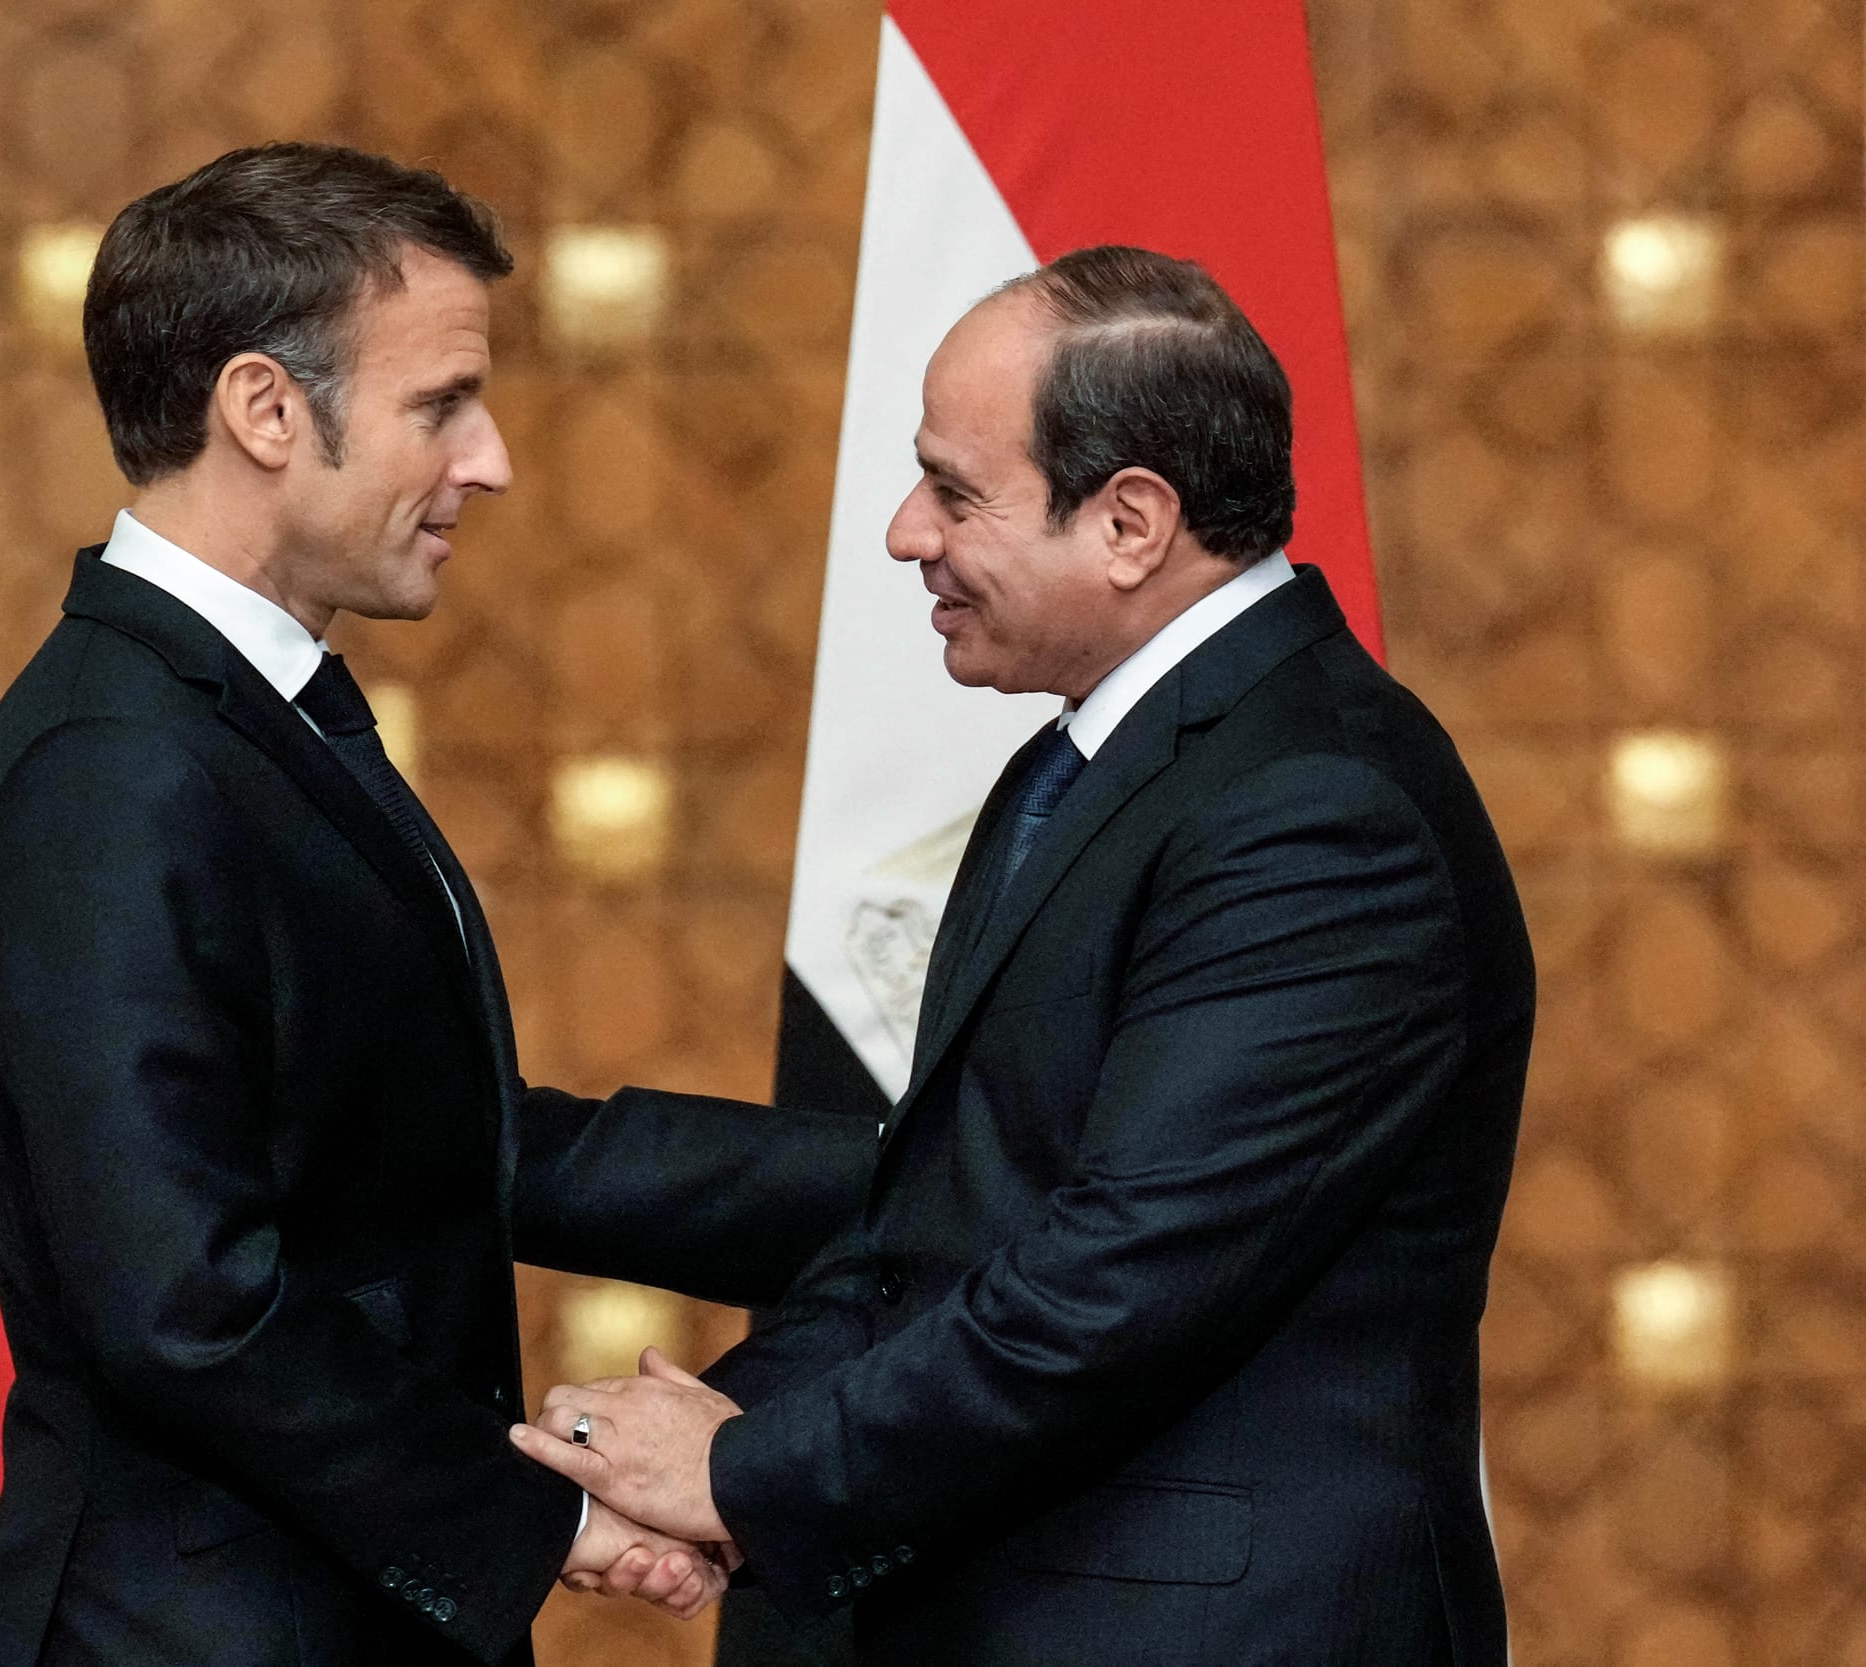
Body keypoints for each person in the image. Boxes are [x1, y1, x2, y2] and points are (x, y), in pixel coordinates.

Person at [510, 246, 1536, 1666]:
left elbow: (1117, 1277)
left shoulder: (1316, 811)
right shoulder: (1100, 765)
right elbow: (953, 1208)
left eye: (955, 488)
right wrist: (725, 1436)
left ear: (1129, 522)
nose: (901, 532)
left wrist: (740, 1475)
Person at [0, 142, 876, 1667]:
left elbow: (460, 1147)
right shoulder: (112, 769)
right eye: (440, 405)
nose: (491, 460)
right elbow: (187, 1304)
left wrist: (936, 1178)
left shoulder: (238, 716)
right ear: (264, 409)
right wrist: (559, 1520)